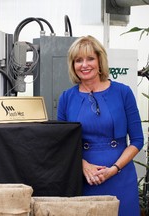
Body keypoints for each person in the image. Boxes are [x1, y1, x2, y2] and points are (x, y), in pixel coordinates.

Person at [57, 35, 144, 216]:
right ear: (73, 65)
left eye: (90, 58)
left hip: (120, 176)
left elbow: (137, 140)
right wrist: (82, 164)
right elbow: (62, 143)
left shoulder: (123, 92)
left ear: (100, 61)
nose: (84, 65)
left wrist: (114, 169)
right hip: (83, 178)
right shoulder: (66, 97)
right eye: (78, 60)